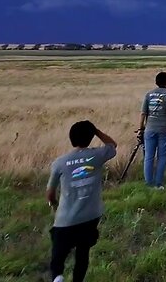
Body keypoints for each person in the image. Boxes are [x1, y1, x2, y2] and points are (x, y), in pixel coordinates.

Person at [46, 120, 117, 282]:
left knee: (58, 256)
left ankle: (57, 277)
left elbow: (50, 193)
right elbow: (112, 145)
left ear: (71, 138)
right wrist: (96, 130)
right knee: (83, 253)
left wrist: (53, 204)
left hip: (66, 219)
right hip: (91, 216)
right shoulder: (97, 156)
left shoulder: (60, 163)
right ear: (91, 137)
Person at [139, 71, 166, 188]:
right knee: (162, 156)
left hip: (149, 129)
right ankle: (158, 183)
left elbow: (143, 113)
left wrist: (141, 128)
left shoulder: (149, 94)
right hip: (164, 129)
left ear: (156, 82)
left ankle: (148, 183)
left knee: (148, 157)